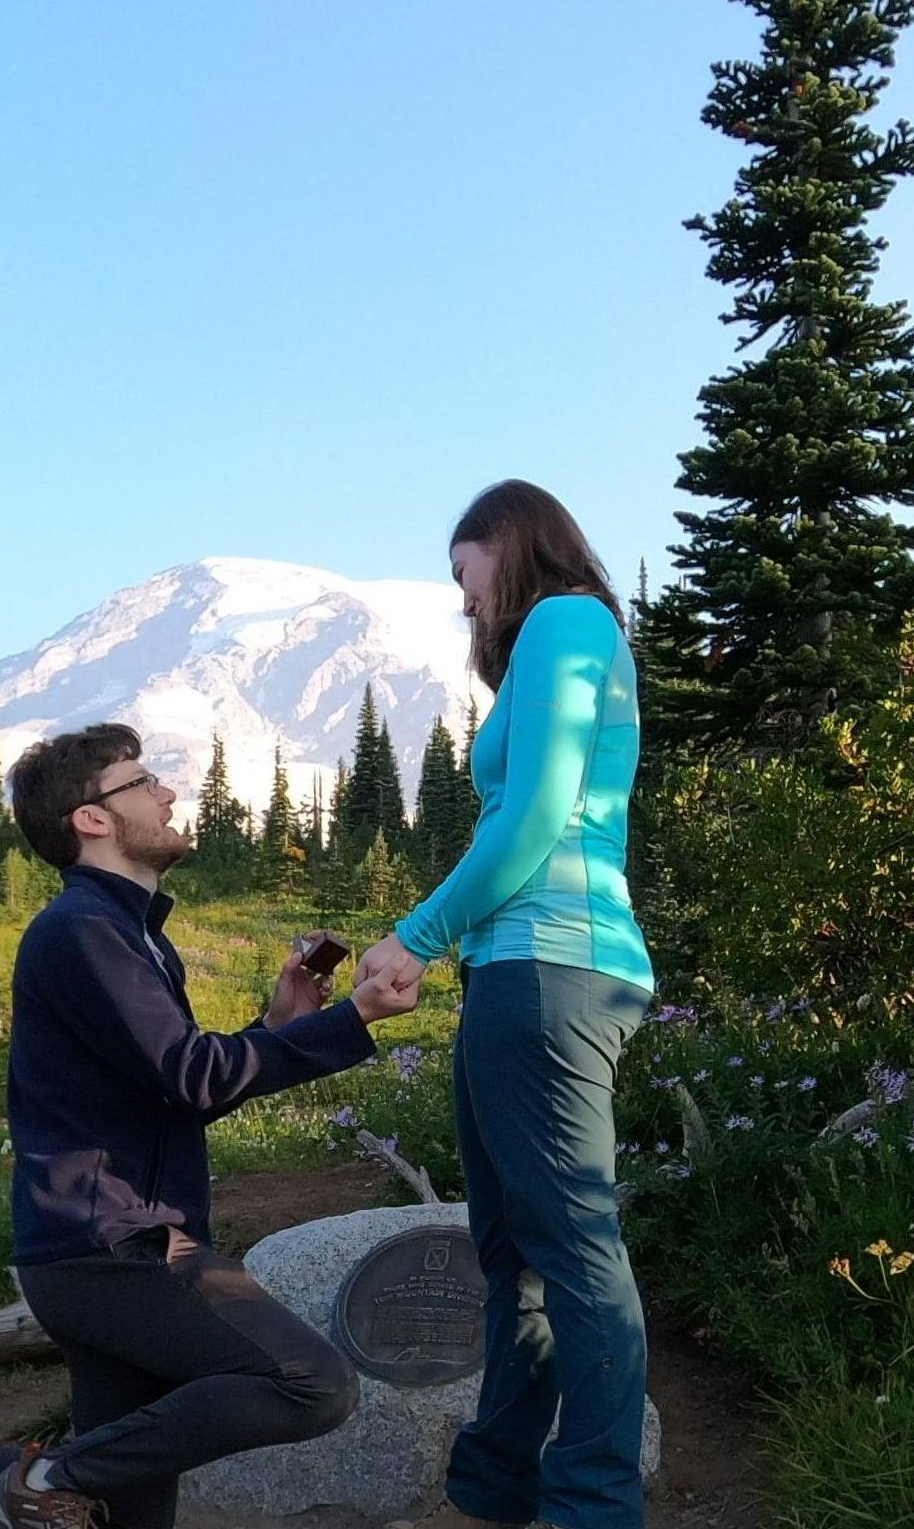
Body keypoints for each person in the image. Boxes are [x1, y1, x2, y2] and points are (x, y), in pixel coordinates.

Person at [0, 723, 417, 1529]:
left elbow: (172, 1086)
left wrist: (275, 1026)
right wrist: (351, 1015)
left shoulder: (130, 932)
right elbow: (193, 1078)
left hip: (109, 1244)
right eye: (143, 780)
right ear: (92, 818)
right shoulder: (84, 931)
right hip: (116, 1248)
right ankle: (7, 1472)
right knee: (310, 1382)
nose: (166, 793)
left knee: (127, 1517)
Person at [356, 480, 655, 1529]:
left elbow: (532, 818)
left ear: (508, 542)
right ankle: (493, 1493)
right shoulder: (554, 641)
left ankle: (593, 1506)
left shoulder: (567, 620)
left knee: (569, 1244)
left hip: (552, 964)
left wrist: (415, 935)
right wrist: (447, 939)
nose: (462, 599)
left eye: (462, 571)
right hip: (518, 968)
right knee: (513, 1254)